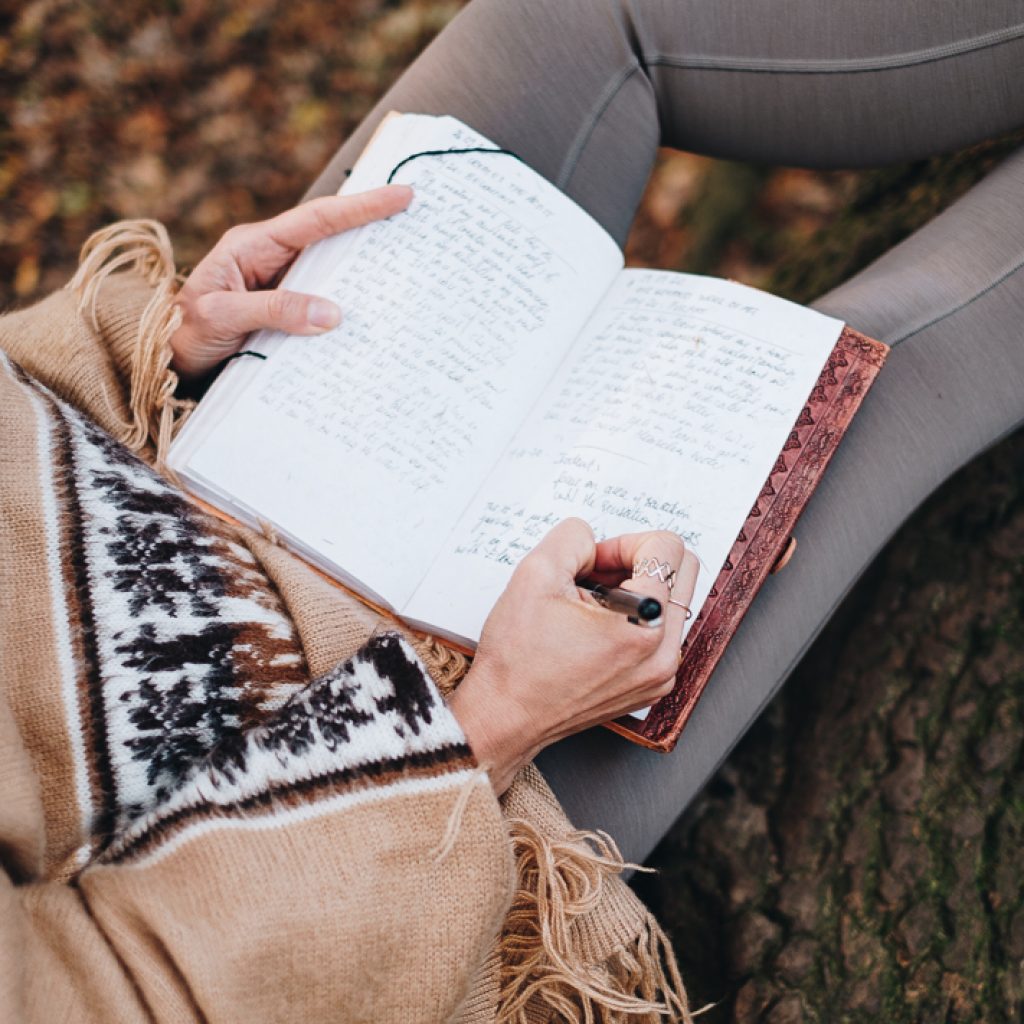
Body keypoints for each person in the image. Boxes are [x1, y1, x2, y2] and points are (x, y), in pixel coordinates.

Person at [2, 2, 1022, 1022]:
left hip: (208, 455)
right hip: (379, 808)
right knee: (898, 354)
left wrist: (159, 351)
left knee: (588, 25)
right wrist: (486, 726)